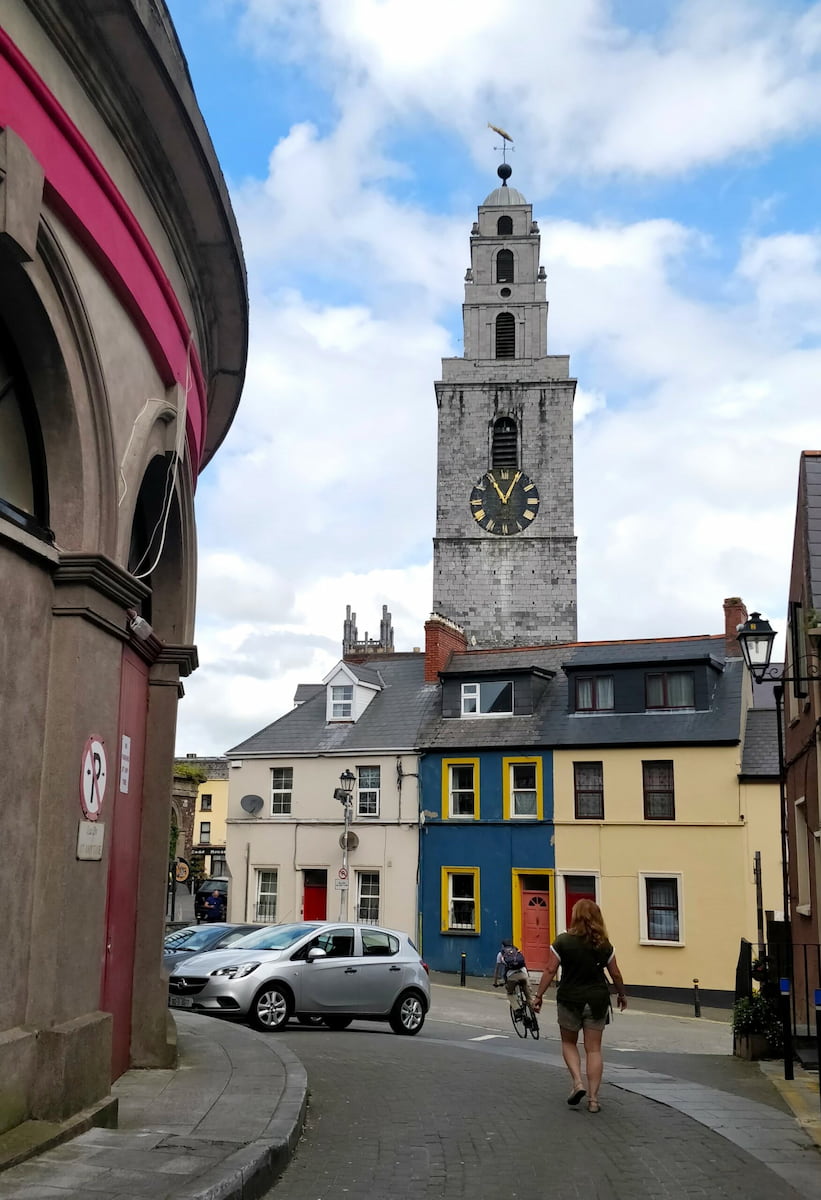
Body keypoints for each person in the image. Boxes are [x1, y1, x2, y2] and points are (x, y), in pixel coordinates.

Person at [532, 900, 626, 1113]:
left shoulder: (563, 941)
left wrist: (539, 996)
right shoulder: (604, 944)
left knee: (568, 1042)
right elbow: (615, 973)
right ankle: (593, 1100)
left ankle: (577, 1083)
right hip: (597, 1001)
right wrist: (621, 994)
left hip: (569, 1000)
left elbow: (550, 970)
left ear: (575, 916)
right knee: (594, 1049)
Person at [493, 939, 535, 1014]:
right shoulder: (517, 951)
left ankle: (517, 1009)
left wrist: (495, 982)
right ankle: (532, 1012)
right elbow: (524, 964)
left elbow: (497, 970)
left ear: (503, 946)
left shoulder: (500, 954)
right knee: (528, 995)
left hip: (512, 977)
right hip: (523, 975)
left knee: (510, 993)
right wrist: (527, 977)